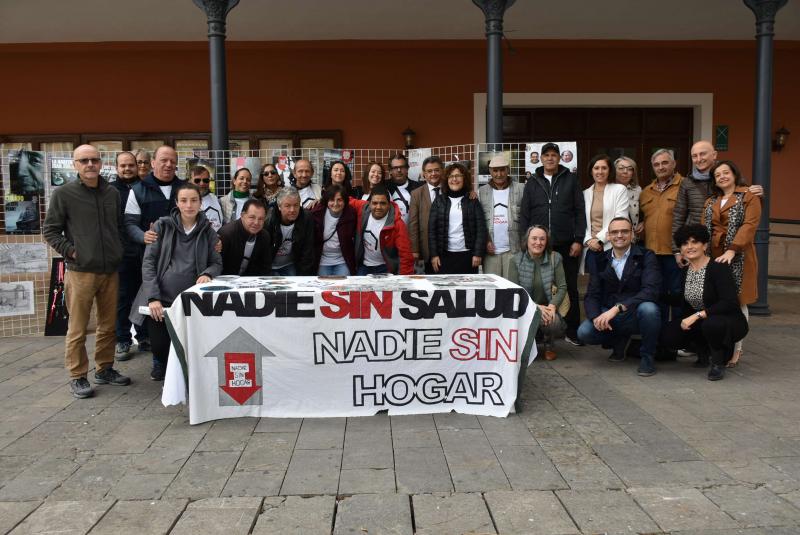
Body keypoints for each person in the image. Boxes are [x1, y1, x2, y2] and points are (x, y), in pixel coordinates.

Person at [42, 144, 130, 398]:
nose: (90, 164)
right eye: (84, 160)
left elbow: (119, 227)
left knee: (108, 325)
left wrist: (118, 250)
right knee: (78, 327)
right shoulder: (64, 194)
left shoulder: (112, 194)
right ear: (75, 164)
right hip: (80, 272)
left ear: (101, 163)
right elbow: (50, 230)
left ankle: (104, 368)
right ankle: (78, 376)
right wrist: (72, 251)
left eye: (94, 159)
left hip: (110, 270)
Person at [130, 183, 222, 381]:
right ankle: (159, 361)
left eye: (194, 200)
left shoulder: (208, 231)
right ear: (177, 203)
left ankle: (184, 371)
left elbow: (217, 263)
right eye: (184, 200)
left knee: (190, 345)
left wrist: (208, 273)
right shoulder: (161, 226)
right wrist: (153, 297)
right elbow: (148, 264)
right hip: (162, 299)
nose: (189, 205)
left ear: (200, 203)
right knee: (161, 346)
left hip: (192, 301)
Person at [660, 224, 748, 381]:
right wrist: (656, 295)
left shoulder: (718, 267)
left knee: (711, 324)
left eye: (695, 242)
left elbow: (729, 302)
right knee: (669, 334)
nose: (690, 247)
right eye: (685, 243)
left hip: (728, 320)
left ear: (705, 245)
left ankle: (718, 362)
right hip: (703, 320)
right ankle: (702, 354)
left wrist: (697, 315)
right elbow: (683, 300)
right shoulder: (685, 271)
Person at [577, 217, 662, 376]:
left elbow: (651, 290)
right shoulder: (600, 259)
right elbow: (592, 294)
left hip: (635, 313)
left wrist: (619, 308)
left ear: (632, 235)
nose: (619, 235)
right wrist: (596, 317)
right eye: (615, 232)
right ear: (608, 236)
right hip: (610, 314)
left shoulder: (646, 256)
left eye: (624, 231)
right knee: (584, 332)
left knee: (650, 310)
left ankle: (647, 357)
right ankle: (619, 341)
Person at [520, 142, 586, 345]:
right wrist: (527, 242)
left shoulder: (570, 179)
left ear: (559, 158)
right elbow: (525, 214)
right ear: (540, 159)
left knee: (569, 287)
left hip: (566, 244)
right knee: (538, 286)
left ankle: (571, 329)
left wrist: (577, 240)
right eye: (546, 155)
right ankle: (539, 331)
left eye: (553, 155)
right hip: (540, 245)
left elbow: (579, 211)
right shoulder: (533, 182)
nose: (550, 158)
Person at [704, 160, 761, 367]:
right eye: (717, 174)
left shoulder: (748, 196)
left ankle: (737, 348)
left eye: (726, 172)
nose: (722, 177)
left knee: (738, 301)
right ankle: (718, 345)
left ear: (734, 174)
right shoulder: (710, 201)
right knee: (718, 300)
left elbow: (749, 225)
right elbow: (705, 227)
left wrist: (732, 249)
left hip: (740, 255)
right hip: (714, 255)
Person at [671, 140, 763, 263]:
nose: (699, 159)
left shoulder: (729, 175)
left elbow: (746, 204)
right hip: (697, 243)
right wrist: (677, 250)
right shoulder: (687, 183)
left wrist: (758, 194)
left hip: (731, 243)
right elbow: (678, 216)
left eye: (703, 154)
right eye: (694, 156)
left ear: (714, 155)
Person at [639, 149, 684, 333]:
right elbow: (643, 217)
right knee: (657, 295)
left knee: (677, 295)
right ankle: (662, 335)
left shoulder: (684, 186)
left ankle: (681, 337)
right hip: (651, 253)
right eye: (656, 164)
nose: (661, 167)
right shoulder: (646, 192)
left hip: (675, 253)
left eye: (665, 163)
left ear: (673, 164)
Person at [508, 225, 567, 361]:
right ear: (527, 240)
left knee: (554, 322)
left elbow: (562, 286)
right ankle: (526, 345)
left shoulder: (555, 258)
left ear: (547, 241)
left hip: (547, 307)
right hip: (524, 307)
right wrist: (535, 307)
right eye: (534, 238)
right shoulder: (515, 260)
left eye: (542, 239)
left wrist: (552, 306)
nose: (538, 242)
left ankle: (549, 345)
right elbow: (514, 291)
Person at [110, 151, 148, 361]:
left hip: (143, 251)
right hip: (121, 253)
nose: (127, 169)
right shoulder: (110, 191)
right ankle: (122, 340)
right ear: (117, 168)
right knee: (123, 297)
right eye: (123, 165)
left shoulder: (144, 188)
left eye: (131, 165)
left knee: (143, 295)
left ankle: (143, 337)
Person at [125, 145, 185, 255]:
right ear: (153, 163)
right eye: (164, 160)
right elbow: (130, 223)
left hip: (184, 253)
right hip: (152, 254)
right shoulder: (138, 190)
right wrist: (143, 236)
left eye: (172, 161)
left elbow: (199, 218)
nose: (168, 164)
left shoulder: (186, 189)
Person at [428, 163, 487, 274]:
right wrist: (434, 255)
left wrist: (478, 253)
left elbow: (481, 228)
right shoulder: (439, 201)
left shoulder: (472, 200)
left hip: (468, 256)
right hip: (444, 256)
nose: (454, 179)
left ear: (464, 178)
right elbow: (432, 231)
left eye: (458, 175)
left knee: (468, 290)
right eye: (451, 176)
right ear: (446, 180)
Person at [582, 154, 629, 275]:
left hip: (613, 245)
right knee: (595, 286)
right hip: (591, 248)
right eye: (596, 168)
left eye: (604, 168)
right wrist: (589, 240)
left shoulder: (619, 190)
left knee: (614, 286)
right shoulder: (584, 194)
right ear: (591, 171)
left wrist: (600, 239)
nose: (600, 171)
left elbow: (620, 218)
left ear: (609, 171)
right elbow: (581, 220)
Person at [479, 154, 524, 278]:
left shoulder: (521, 189)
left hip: (514, 249)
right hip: (491, 251)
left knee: (512, 287)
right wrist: (486, 240)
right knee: (493, 289)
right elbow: (479, 221)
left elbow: (527, 217)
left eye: (502, 170)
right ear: (490, 171)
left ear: (508, 169)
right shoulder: (482, 192)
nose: (499, 174)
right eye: (495, 170)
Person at [354, 184, 414, 275]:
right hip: (364, 266)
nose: (378, 207)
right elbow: (345, 201)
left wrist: (404, 280)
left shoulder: (397, 224)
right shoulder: (362, 208)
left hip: (386, 267)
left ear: (389, 204)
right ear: (369, 203)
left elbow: (406, 255)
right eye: (375, 203)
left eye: (383, 203)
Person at [266, 187, 315, 276]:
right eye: (287, 206)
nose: (292, 210)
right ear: (279, 206)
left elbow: (307, 251)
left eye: (296, 205)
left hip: (290, 265)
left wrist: (303, 278)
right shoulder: (268, 221)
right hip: (269, 266)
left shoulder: (306, 218)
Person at [409, 156, 445, 274]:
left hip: (448, 248)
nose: (433, 174)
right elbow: (413, 224)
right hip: (426, 248)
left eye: (436, 170)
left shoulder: (450, 189)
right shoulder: (416, 194)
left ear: (442, 171)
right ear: (424, 174)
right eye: (429, 171)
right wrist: (415, 249)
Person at [218, 199, 272, 276]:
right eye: (252, 217)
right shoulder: (226, 234)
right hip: (226, 279)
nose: (256, 223)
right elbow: (216, 264)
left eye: (261, 219)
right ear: (242, 215)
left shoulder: (264, 236)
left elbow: (266, 267)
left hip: (252, 281)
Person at [312, 183, 357, 276]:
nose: (335, 204)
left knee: (343, 287)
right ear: (326, 201)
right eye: (332, 200)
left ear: (345, 201)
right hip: (322, 261)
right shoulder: (317, 213)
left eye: (339, 200)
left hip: (342, 261)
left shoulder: (351, 214)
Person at [387, 153, 422, 224]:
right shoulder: (384, 187)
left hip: (412, 233)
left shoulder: (418, 188)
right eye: (395, 168)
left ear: (407, 169)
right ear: (390, 171)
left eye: (402, 167)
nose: (399, 170)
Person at [614, 156, 643, 238]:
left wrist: (644, 222)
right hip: (614, 237)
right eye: (621, 168)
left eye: (630, 169)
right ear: (614, 171)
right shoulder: (608, 189)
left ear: (633, 173)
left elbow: (645, 211)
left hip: (634, 238)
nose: (625, 171)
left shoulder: (638, 190)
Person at [188, 165, 223, 232]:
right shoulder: (184, 201)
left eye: (205, 180)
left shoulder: (215, 198)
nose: (202, 183)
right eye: (197, 180)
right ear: (190, 181)